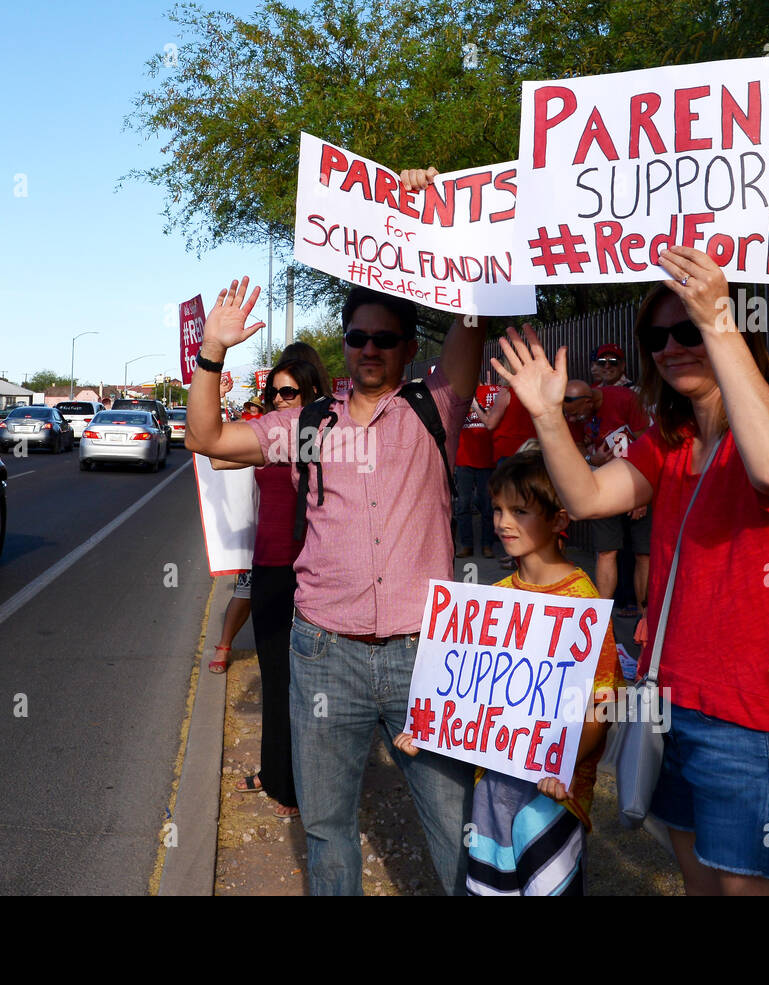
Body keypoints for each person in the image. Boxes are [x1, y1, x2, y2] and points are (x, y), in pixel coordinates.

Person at [494, 245, 769, 896]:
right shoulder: (668, 442)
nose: (671, 346)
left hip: (754, 722)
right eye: (657, 335)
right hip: (670, 709)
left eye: (689, 328)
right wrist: (544, 415)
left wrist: (719, 320)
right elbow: (586, 498)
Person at [185, 214, 488, 894]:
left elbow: (476, 309)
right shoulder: (308, 423)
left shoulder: (436, 405)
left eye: (385, 337)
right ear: (344, 344)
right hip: (325, 656)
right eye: (358, 336)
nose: (370, 348)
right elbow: (206, 437)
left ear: (411, 347)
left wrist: (437, 218)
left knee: (453, 823)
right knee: (327, 832)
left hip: (423, 655)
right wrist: (213, 351)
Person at [395, 450, 623, 895]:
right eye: (498, 509)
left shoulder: (583, 602)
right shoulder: (494, 597)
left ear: (559, 520)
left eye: (520, 511)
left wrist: (566, 764)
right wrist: (425, 729)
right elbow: (464, 688)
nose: (502, 522)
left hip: (552, 797)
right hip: (491, 790)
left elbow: (603, 701)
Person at [214, 355, 327, 818]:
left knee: (305, 683)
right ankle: (274, 769)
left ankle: (298, 785)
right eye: (273, 393)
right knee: (274, 676)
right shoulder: (269, 432)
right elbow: (218, 456)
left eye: (290, 393)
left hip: (306, 568)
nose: (279, 401)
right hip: (267, 566)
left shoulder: (321, 433)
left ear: (311, 395)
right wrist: (219, 407)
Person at [562, 378, 651, 609]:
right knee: (606, 551)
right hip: (602, 485)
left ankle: (645, 617)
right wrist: (592, 459)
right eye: (569, 416)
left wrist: (641, 492)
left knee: (644, 554)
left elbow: (646, 441)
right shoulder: (572, 409)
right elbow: (577, 447)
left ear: (589, 401)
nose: (572, 420)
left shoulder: (624, 398)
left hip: (637, 481)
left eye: (577, 415)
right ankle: (601, 619)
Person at [454, 388, 500, 559]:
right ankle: (467, 545)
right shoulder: (458, 396)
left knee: (486, 505)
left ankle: (487, 545)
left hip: (486, 460)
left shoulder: (491, 393)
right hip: (464, 460)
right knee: (463, 505)